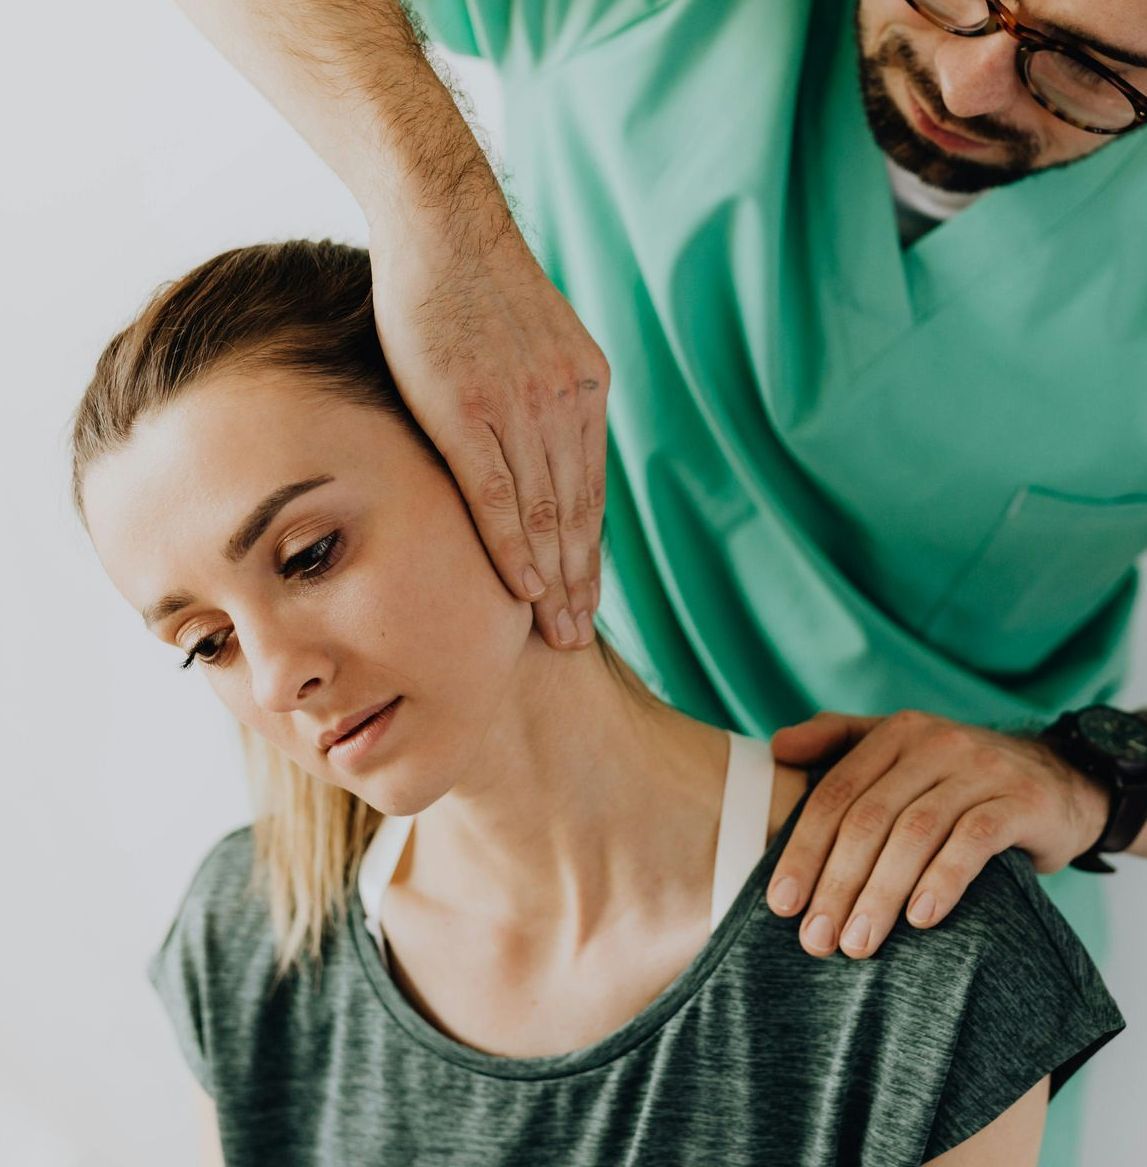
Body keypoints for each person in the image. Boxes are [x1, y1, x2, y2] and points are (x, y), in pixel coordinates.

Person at [164, 2, 1147, 1163]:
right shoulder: (260, 941)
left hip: (886, 923)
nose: (978, 80)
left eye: (1086, 67)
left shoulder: (947, 988)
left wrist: (1090, 784)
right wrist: (441, 220)